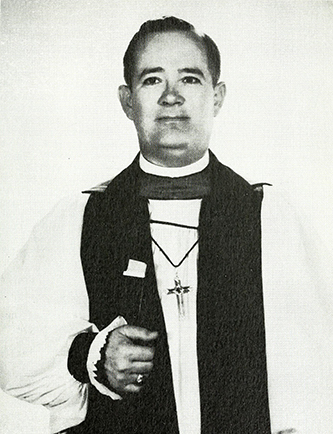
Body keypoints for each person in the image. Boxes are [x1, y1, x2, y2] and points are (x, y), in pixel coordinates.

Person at [1, 16, 332, 434]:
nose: (172, 97)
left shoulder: (271, 218)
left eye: (190, 80)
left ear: (217, 97)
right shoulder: (80, 218)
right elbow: (9, 343)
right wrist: (89, 356)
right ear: (127, 101)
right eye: (152, 80)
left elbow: (320, 363)